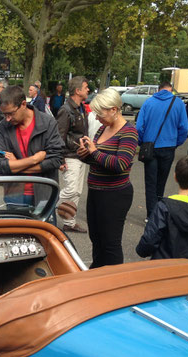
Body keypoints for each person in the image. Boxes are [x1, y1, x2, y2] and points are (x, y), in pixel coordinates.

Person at [77, 88, 138, 267]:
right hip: (96, 192)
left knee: (110, 243)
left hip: (115, 195)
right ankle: (98, 273)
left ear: (113, 109)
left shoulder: (129, 132)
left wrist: (94, 151)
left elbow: (120, 164)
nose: (96, 118)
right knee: (96, 239)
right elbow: (98, 160)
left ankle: (113, 280)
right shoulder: (104, 128)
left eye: (99, 113)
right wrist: (84, 154)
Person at [0, 85, 64, 211]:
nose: (7, 119)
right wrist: (34, 160)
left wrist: (16, 166)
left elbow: (56, 159)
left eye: (10, 114)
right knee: (16, 231)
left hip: (44, 195)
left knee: (43, 231)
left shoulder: (48, 122)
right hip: (14, 196)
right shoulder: (3, 127)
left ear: (23, 104)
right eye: (4, 114)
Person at [136, 154, 188, 259]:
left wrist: (142, 250)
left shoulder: (164, 207)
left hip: (162, 263)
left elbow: (151, 238)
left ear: (175, 176)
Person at [136, 81, 188, 219]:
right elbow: (184, 128)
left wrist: (142, 142)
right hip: (169, 147)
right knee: (161, 181)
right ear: (170, 90)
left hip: (150, 147)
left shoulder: (148, 103)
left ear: (158, 90)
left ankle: (151, 215)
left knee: (150, 182)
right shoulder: (178, 103)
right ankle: (159, 211)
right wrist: (176, 142)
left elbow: (139, 127)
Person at [55, 76, 90, 233]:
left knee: (77, 191)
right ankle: (50, 206)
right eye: (86, 87)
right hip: (69, 156)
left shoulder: (80, 107)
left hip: (80, 156)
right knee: (71, 189)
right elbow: (59, 136)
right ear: (78, 90)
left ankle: (69, 223)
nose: (88, 89)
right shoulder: (66, 110)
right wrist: (60, 159)